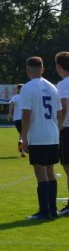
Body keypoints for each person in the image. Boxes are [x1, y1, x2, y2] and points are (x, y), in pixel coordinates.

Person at [20, 56, 62, 220]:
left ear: (27, 70)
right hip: (53, 135)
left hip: (38, 135)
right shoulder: (53, 87)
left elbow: (26, 114)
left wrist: (24, 138)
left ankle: (44, 211)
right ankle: (53, 209)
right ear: (43, 69)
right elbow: (59, 114)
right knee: (50, 171)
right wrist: (56, 133)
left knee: (41, 173)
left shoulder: (28, 88)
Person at [55, 51, 69, 216]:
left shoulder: (64, 84)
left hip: (67, 128)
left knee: (68, 167)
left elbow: (64, 107)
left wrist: (57, 127)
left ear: (59, 66)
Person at [7, 84, 26, 157]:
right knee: (26, 134)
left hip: (16, 119)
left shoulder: (15, 97)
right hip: (25, 118)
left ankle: (20, 141)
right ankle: (23, 151)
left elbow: (11, 103)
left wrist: (9, 113)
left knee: (21, 133)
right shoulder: (26, 97)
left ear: (18, 90)